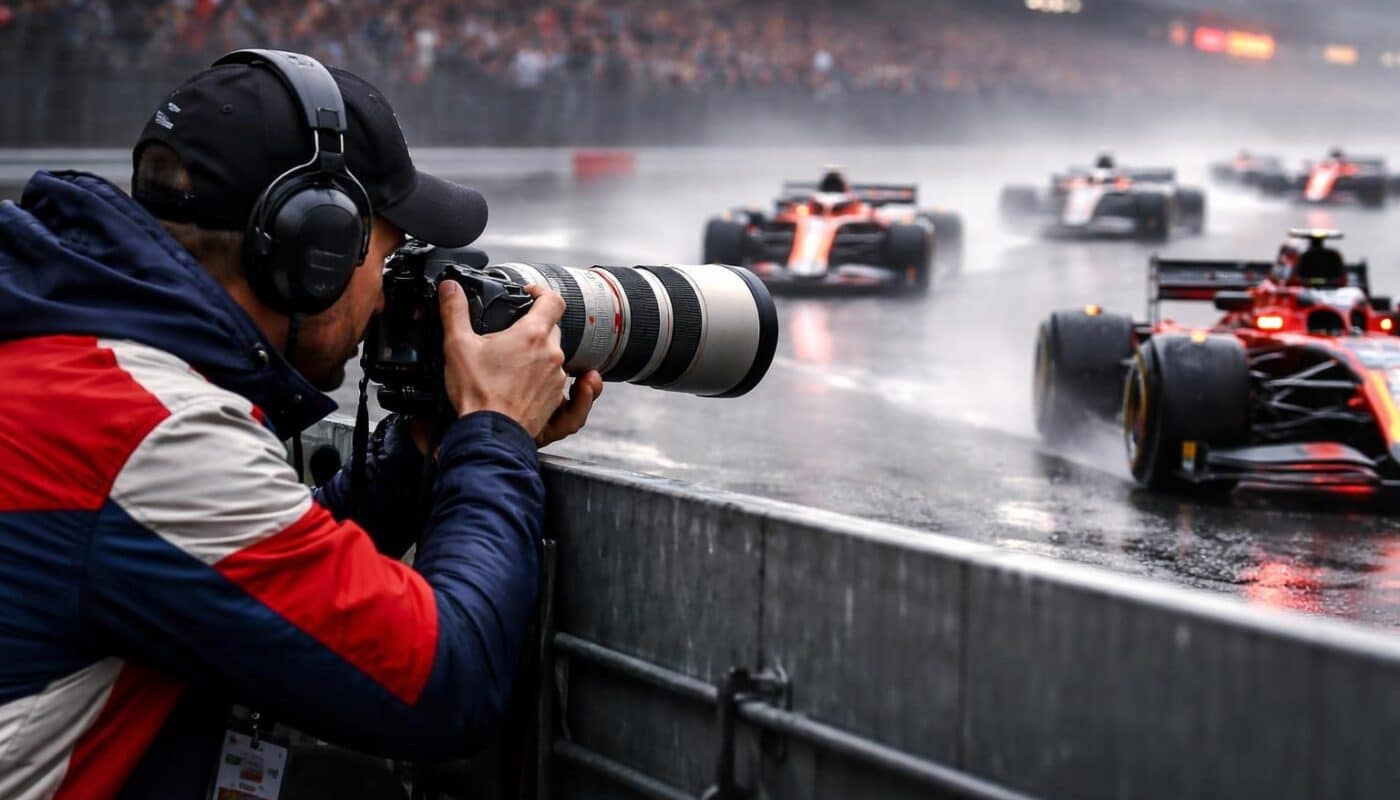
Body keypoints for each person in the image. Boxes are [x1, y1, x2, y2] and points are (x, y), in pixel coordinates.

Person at [0, 50, 602, 798]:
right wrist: (494, 430)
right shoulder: (143, 433)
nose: (390, 296)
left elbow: (229, 574)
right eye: (390, 254)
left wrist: (417, 457)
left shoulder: (61, 356)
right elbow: (444, 682)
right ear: (312, 248)